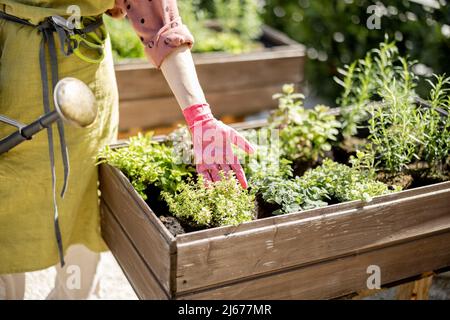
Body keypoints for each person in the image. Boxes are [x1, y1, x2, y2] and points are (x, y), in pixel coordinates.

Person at [0, 0, 254, 300]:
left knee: (84, 202)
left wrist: (200, 117)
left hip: (85, 84)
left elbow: (159, 21)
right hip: (11, 69)